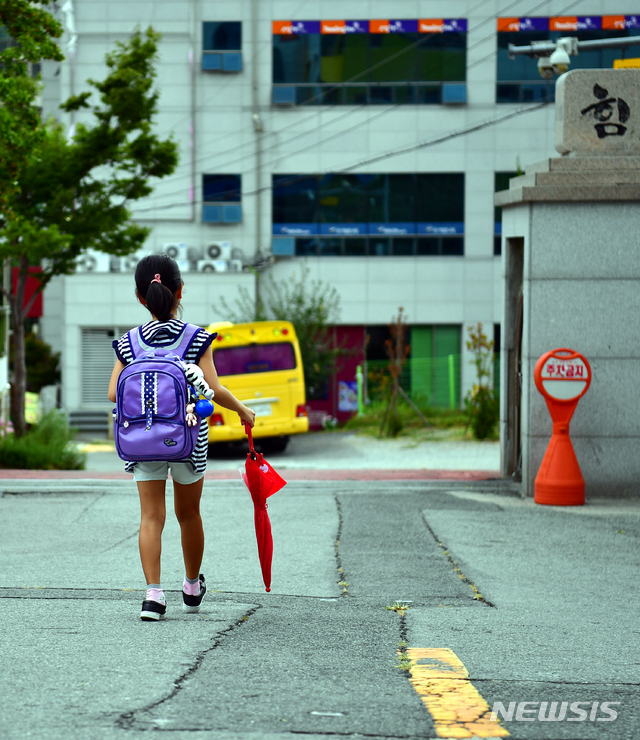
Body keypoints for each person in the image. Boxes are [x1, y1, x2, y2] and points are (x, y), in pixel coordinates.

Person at [108, 254, 256, 621]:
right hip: (188, 439)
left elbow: (113, 393)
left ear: (141, 297)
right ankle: (191, 586)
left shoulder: (129, 343)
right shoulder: (196, 337)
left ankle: (153, 596)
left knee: (151, 517)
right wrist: (242, 410)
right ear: (180, 291)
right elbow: (213, 389)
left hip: (142, 440)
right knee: (188, 514)